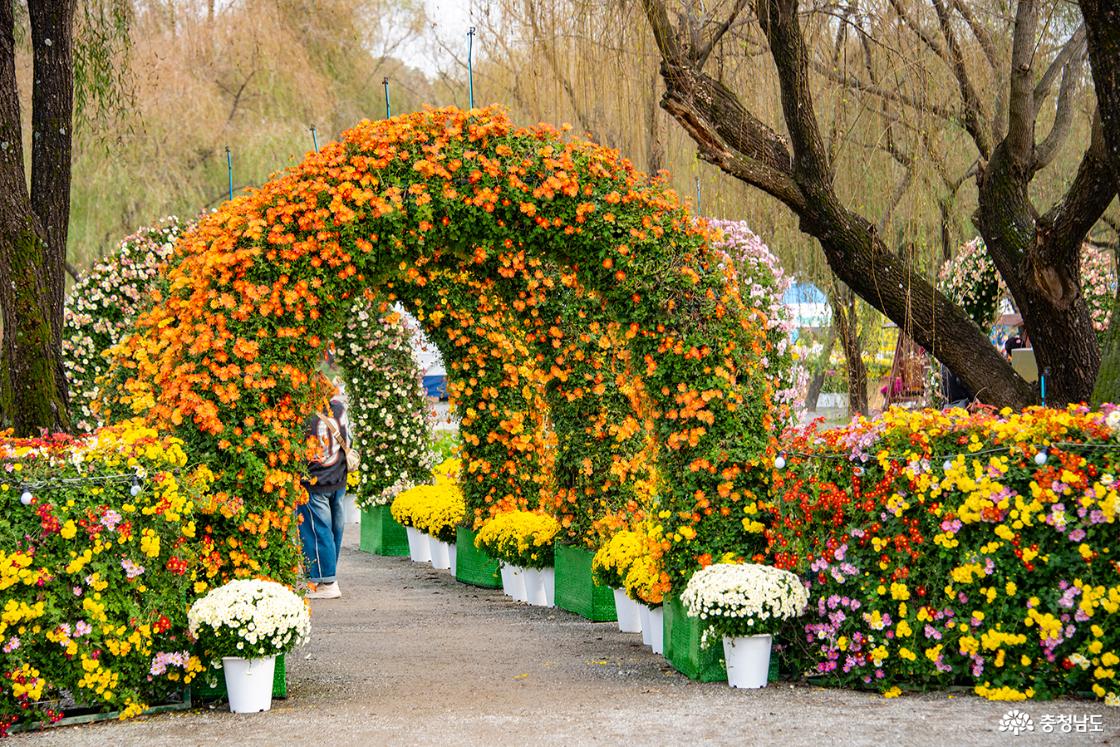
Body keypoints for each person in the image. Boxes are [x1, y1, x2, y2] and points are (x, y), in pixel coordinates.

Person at [299, 383, 351, 600]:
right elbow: (348, 440)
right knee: (333, 530)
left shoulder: (303, 416)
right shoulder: (338, 409)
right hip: (338, 478)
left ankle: (326, 581)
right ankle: (328, 574)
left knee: (317, 530)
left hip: (315, 481)